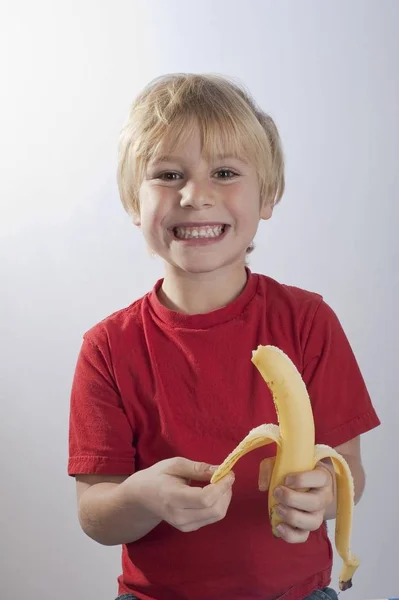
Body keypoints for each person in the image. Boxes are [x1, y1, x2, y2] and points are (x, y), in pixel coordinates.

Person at [68, 73, 381, 600]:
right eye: (168, 174)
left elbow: (348, 467)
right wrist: (141, 499)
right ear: (132, 203)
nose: (195, 196)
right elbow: (95, 513)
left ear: (267, 196)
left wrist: (323, 495)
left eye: (225, 172)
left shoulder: (308, 322)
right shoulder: (106, 348)